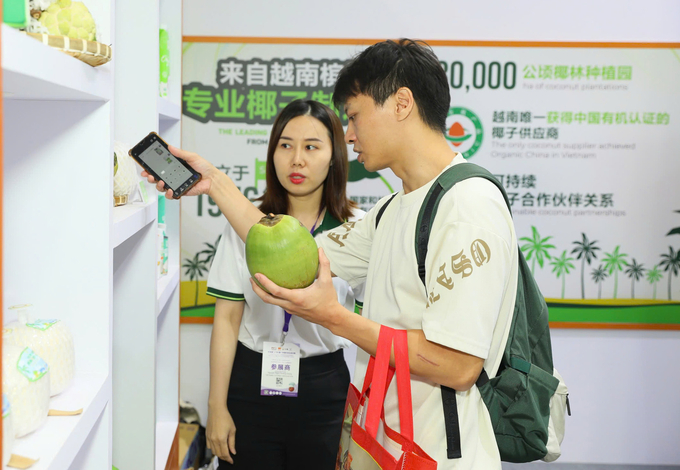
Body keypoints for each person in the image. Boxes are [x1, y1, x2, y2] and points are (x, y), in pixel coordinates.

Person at [145, 39, 517, 469]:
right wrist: (216, 184)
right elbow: (290, 255)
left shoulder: (466, 205)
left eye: (355, 116)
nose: (351, 134)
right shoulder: (393, 210)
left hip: (434, 452)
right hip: (383, 439)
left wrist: (333, 317)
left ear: (401, 104)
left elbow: (456, 366)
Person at [200, 100, 364, 470]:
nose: (297, 160)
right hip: (250, 383)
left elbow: (375, 327)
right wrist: (216, 406)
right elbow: (226, 320)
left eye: (311, 146)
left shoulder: (358, 227)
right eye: (285, 145)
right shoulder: (248, 224)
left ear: (335, 156)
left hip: (323, 389)